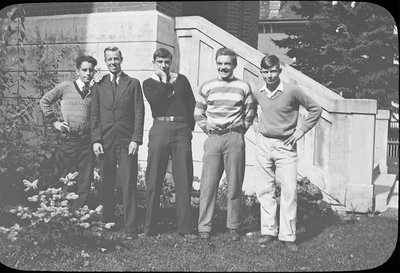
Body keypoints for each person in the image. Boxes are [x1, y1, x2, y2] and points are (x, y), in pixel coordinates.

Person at [252, 54, 322, 251]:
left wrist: (301, 130)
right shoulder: (257, 90)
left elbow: (315, 109)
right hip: (264, 144)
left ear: (279, 71)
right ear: (261, 72)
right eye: (265, 71)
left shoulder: (291, 91)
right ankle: (268, 231)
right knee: (265, 189)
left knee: (289, 190)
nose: (269, 75)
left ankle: (288, 236)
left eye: (273, 71)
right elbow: (248, 107)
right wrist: (254, 124)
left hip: (286, 146)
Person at [194, 47, 255, 241]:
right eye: (220, 63)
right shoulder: (207, 86)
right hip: (214, 139)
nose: (223, 67)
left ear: (234, 65)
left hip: (234, 139)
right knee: (208, 184)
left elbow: (250, 112)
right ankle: (204, 226)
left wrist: (239, 131)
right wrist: (208, 130)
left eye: (227, 63)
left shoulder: (243, 87)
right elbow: (198, 113)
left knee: (234, 184)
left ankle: (233, 226)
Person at [139, 48, 197, 239]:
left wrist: (188, 127)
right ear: (154, 62)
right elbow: (158, 103)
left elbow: (190, 103)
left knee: (184, 178)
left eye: (167, 62)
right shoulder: (148, 83)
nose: (164, 65)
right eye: (160, 62)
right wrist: (164, 81)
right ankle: (149, 228)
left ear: (171, 61)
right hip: (160, 128)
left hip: (181, 129)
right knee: (154, 177)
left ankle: (185, 228)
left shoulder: (182, 80)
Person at [90, 46, 145, 239]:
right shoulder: (99, 84)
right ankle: (107, 222)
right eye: (109, 60)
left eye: (116, 58)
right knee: (106, 182)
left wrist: (136, 139)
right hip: (105, 141)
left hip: (126, 140)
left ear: (122, 59)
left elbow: (139, 113)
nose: (113, 62)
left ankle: (131, 227)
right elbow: (94, 114)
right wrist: (96, 139)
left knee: (129, 182)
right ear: (105, 62)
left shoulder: (133, 83)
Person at [40, 55, 97, 212]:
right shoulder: (66, 87)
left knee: (85, 179)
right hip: (70, 139)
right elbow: (44, 101)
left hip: (88, 141)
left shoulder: (96, 91)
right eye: (84, 70)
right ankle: (50, 208)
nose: (88, 73)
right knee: (58, 173)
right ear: (77, 71)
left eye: (91, 70)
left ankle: (76, 213)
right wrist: (55, 122)